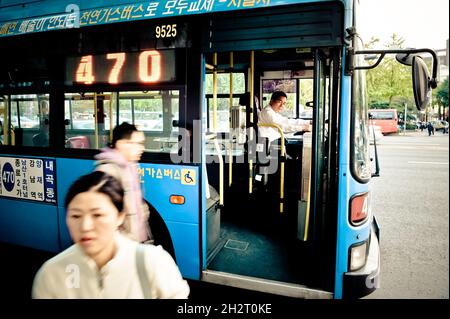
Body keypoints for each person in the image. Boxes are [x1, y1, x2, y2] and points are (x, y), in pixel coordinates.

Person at [32, 171, 190, 298]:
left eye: (98, 215)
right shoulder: (51, 274)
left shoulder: (154, 263)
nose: (85, 227)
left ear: (120, 216)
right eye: (76, 216)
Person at [94, 122, 153, 244]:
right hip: (123, 246)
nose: (142, 148)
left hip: (134, 242)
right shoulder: (108, 171)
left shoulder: (129, 167)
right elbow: (104, 219)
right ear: (121, 144)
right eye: (137, 144)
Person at [258, 91, 311, 158]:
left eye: (284, 103)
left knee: (298, 144)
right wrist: (303, 128)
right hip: (269, 142)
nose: (282, 106)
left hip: (276, 139)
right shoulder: (267, 112)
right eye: (279, 102)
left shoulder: (273, 112)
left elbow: (287, 121)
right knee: (299, 147)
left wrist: (307, 122)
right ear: (271, 101)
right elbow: (282, 127)